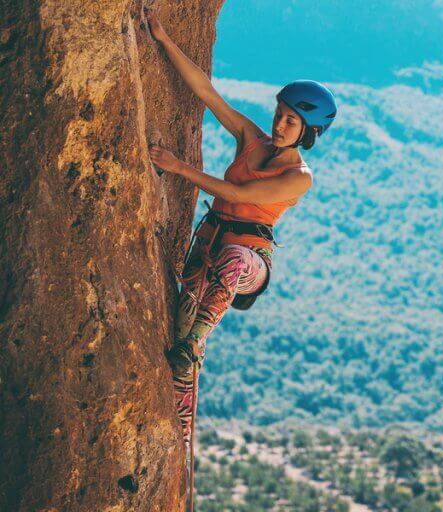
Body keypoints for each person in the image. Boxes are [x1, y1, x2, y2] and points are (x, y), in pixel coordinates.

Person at [144, 6, 337, 447]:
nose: (279, 123)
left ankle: (194, 342)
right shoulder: (252, 139)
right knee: (178, 329)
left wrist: (177, 168)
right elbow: (208, 96)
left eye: (291, 120)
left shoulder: (300, 177)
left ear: (308, 132)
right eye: (280, 112)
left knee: (225, 275)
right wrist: (163, 39)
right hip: (208, 243)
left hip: (251, 261)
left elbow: (242, 197)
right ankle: (182, 433)